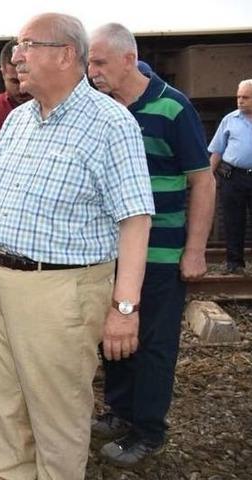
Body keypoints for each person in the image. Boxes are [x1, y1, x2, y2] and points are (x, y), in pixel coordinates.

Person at [0, 13, 155, 479]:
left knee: (57, 415)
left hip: (60, 290)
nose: (16, 56)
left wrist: (124, 308)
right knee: (4, 403)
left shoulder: (111, 124)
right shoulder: (21, 119)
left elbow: (135, 219)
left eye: (28, 44)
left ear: (66, 54)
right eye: (17, 45)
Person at [88, 23, 215, 467]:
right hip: (112, 251)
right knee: (115, 339)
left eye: (100, 62)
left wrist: (195, 249)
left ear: (128, 59)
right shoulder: (102, 109)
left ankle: (149, 431)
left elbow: (202, 180)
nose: (93, 72)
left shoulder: (173, 108)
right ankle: (120, 412)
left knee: (154, 343)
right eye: (90, 62)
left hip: (160, 252)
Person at [209, 79, 252, 274]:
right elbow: (217, 150)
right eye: (238, 97)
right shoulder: (230, 120)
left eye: (245, 97)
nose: (240, 101)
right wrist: (208, 177)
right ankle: (234, 263)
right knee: (233, 220)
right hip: (233, 176)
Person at [0, 39, 31, 134]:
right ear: (3, 73)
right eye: (15, 81)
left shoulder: (51, 108)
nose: (22, 89)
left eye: (26, 80)